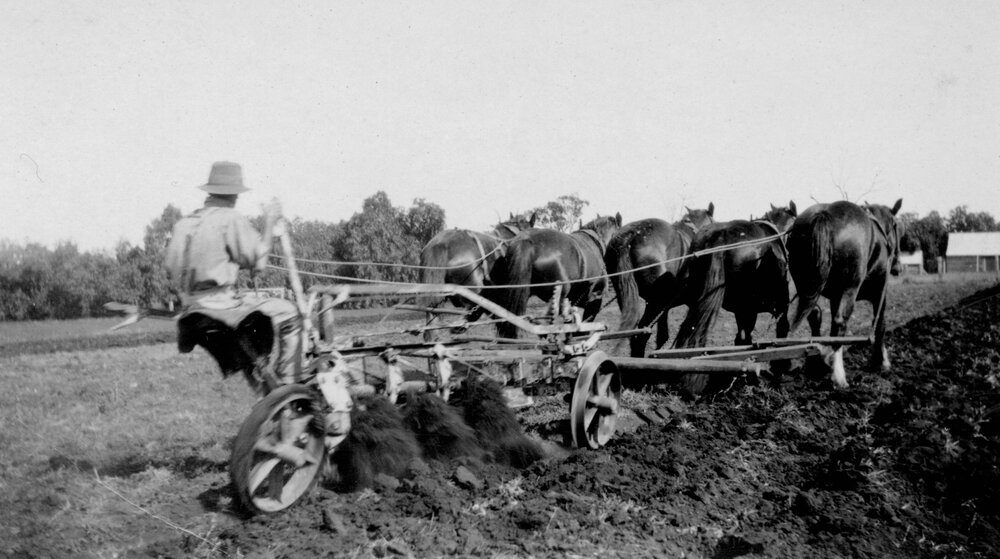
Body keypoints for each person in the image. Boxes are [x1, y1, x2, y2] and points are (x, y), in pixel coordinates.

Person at [164, 161, 301, 393]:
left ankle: (263, 392)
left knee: (251, 337)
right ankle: (290, 386)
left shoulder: (184, 224)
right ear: (235, 194)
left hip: (191, 310)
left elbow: (170, 269)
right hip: (222, 308)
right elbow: (259, 265)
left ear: (209, 191)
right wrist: (268, 222)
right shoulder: (230, 218)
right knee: (291, 314)